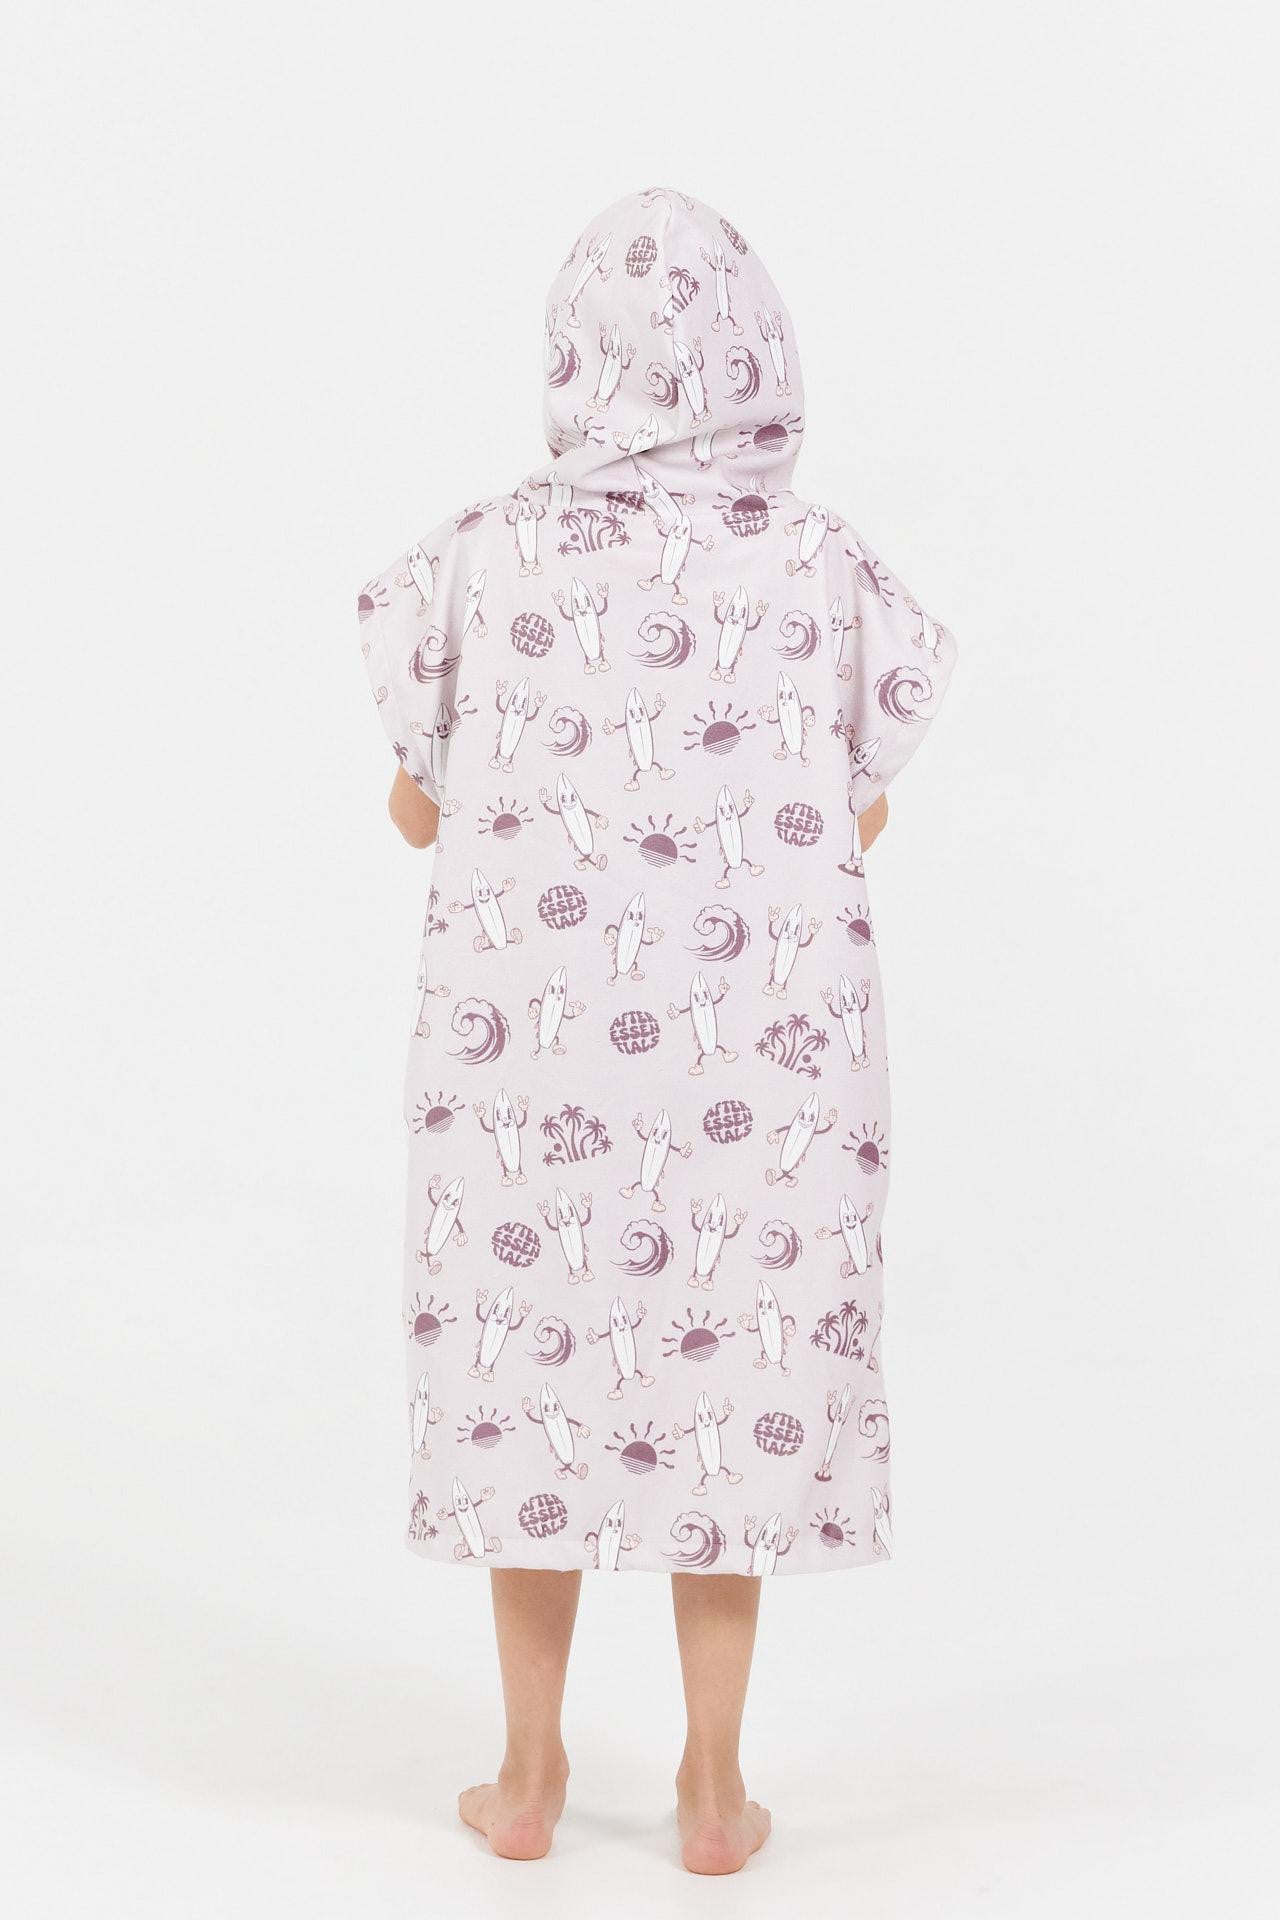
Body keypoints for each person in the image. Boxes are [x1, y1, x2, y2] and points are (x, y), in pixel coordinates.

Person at [356, 186, 956, 1874]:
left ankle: (526, 1773)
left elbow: (415, 812)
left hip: (524, 1075)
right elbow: (861, 814)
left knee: (528, 1386)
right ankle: (709, 1784)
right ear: (762, 357)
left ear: (573, 361)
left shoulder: (483, 557)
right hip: (758, 1075)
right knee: (730, 1390)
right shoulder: (821, 566)